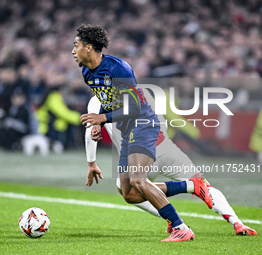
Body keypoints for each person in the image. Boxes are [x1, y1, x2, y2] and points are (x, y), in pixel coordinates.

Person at [73, 24, 206, 242]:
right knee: (130, 194)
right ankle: (190, 186)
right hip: (127, 130)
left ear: (88, 48)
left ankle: (181, 227)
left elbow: (133, 107)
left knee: (138, 180)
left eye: (75, 45)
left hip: (142, 124)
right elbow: (110, 102)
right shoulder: (87, 72)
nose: (72, 50)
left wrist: (102, 118)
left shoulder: (119, 69)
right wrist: (99, 123)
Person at [85, 93, 258, 236]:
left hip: (139, 153)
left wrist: (92, 163)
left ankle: (175, 216)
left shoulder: (96, 101)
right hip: (166, 148)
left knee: (128, 191)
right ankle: (238, 223)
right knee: (203, 183)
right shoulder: (143, 93)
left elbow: (90, 131)